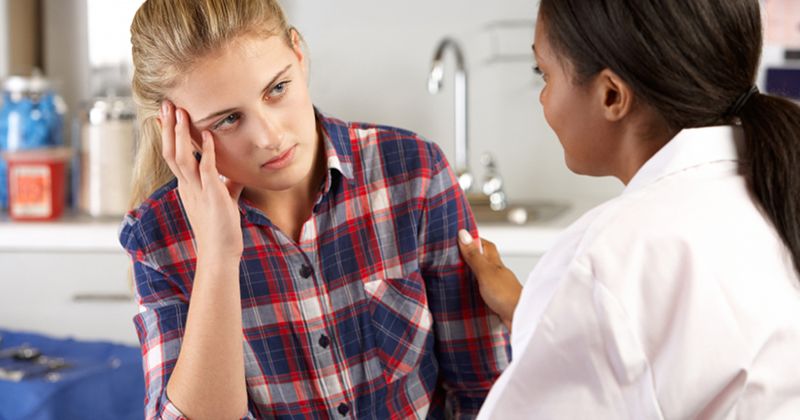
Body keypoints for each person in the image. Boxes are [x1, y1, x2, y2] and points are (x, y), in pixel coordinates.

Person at [118, 1, 510, 418]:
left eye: (277, 89)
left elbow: (485, 393)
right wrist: (217, 257)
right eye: (229, 120)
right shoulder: (158, 240)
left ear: (299, 54)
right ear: (175, 130)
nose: (270, 136)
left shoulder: (413, 174)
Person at [457, 0, 800, 418]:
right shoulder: (768, 191)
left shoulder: (610, 255)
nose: (544, 99)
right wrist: (535, 316)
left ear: (611, 95)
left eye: (543, 75)